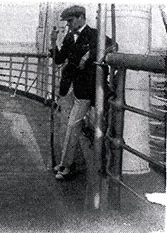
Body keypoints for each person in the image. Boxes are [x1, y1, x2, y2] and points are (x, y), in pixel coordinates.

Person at [49, 5, 116, 180]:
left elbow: (113, 46)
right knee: (68, 127)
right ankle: (65, 164)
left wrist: (90, 55)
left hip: (89, 90)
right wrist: (52, 42)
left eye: (70, 21)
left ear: (81, 17)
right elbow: (59, 59)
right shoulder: (70, 37)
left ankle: (68, 166)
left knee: (75, 126)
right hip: (72, 89)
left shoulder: (94, 35)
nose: (68, 25)